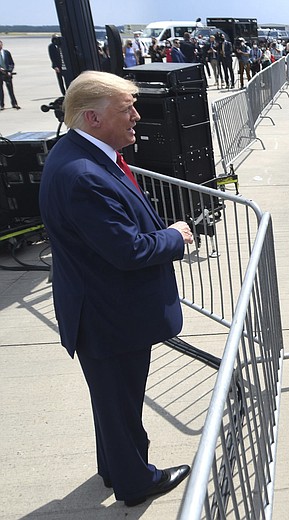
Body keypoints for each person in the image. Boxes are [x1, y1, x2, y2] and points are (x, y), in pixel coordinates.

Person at [38, 71, 193, 507]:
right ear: (92, 117)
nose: (137, 117)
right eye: (127, 109)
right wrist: (177, 236)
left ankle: (114, 466)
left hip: (103, 309)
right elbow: (128, 250)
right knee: (120, 403)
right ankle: (135, 481)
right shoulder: (84, 174)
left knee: (112, 402)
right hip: (111, 315)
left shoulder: (79, 154)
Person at [0, 40, 20, 110]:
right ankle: (1, 105)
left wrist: (9, 71)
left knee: (11, 90)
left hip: (7, 74)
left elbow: (11, 63)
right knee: (0, 91)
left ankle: (14, 103)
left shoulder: (6, 53)